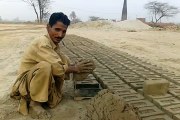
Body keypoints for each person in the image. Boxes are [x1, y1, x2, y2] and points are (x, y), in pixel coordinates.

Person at [10, 12, 95, 119]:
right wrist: (75, 69)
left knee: (57, 65)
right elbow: (57, 68)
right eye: (57, 29)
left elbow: (61, 60)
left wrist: (75, 65)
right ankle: (34, 103)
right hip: (24, 85)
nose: (60, 35)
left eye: (64, 31)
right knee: (46, 66)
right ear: (48, 27)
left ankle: (42, 96)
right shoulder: (42, 43)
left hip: (35, 82)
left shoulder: (53, 44)